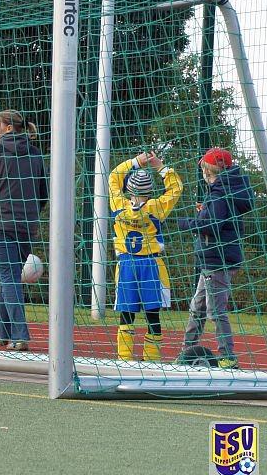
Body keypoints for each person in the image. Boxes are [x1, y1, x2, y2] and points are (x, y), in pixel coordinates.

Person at [0, 109, 47, 351]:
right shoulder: (35, 154)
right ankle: (0, 327)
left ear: (8, 128)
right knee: (12, 278)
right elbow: (43, 193)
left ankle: (19, 334)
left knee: (9, 279)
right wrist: (30, 216)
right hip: (27, 227)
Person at [177, 147, 254, 369]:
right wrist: (204, 212)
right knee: (198, 306)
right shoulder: (222, 192)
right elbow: (217, 218)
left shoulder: (220, 194)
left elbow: (212, 226)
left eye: (204, 169)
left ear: (209, 171)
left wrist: (185, 223)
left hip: (218, 261)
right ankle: (188, 351)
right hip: (212, 259)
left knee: (215, 310)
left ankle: (227, 356)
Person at [108, 152, 182, 362]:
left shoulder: (118, 205)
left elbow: (113, 177)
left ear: (128, 189)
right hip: (151, 265)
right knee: (153, 315)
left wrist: (135, 162)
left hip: (126, 265)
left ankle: (124, 358)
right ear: (150, 193)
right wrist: (160, 167)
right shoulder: (155, 207)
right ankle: (151, 359)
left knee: (126, 314)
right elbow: (176, 188)